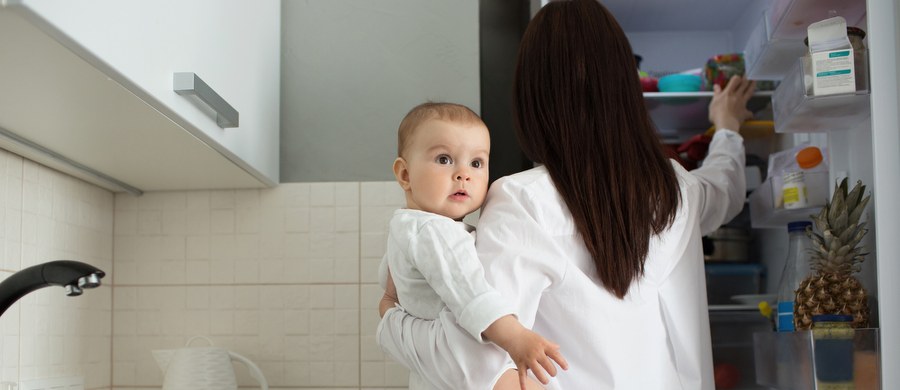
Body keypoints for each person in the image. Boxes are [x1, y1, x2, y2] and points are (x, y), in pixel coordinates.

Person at [377, 0, 757, 389]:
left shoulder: (526, 200)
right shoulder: (678, 189)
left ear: (532, 99)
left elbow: (469, 361)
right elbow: (726, 187)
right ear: (628, 89)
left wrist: (391, 320)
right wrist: (727, 127)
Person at [379, 102, 568, 390]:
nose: (463, 174)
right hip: (470, 363)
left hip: (437, 371)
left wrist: (388, 307)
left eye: (476, 163)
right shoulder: (434, 231)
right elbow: (470, 293)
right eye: (444, 159)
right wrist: (517, 338)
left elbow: (390, 284)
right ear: (405, 175)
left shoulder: (406, 227)